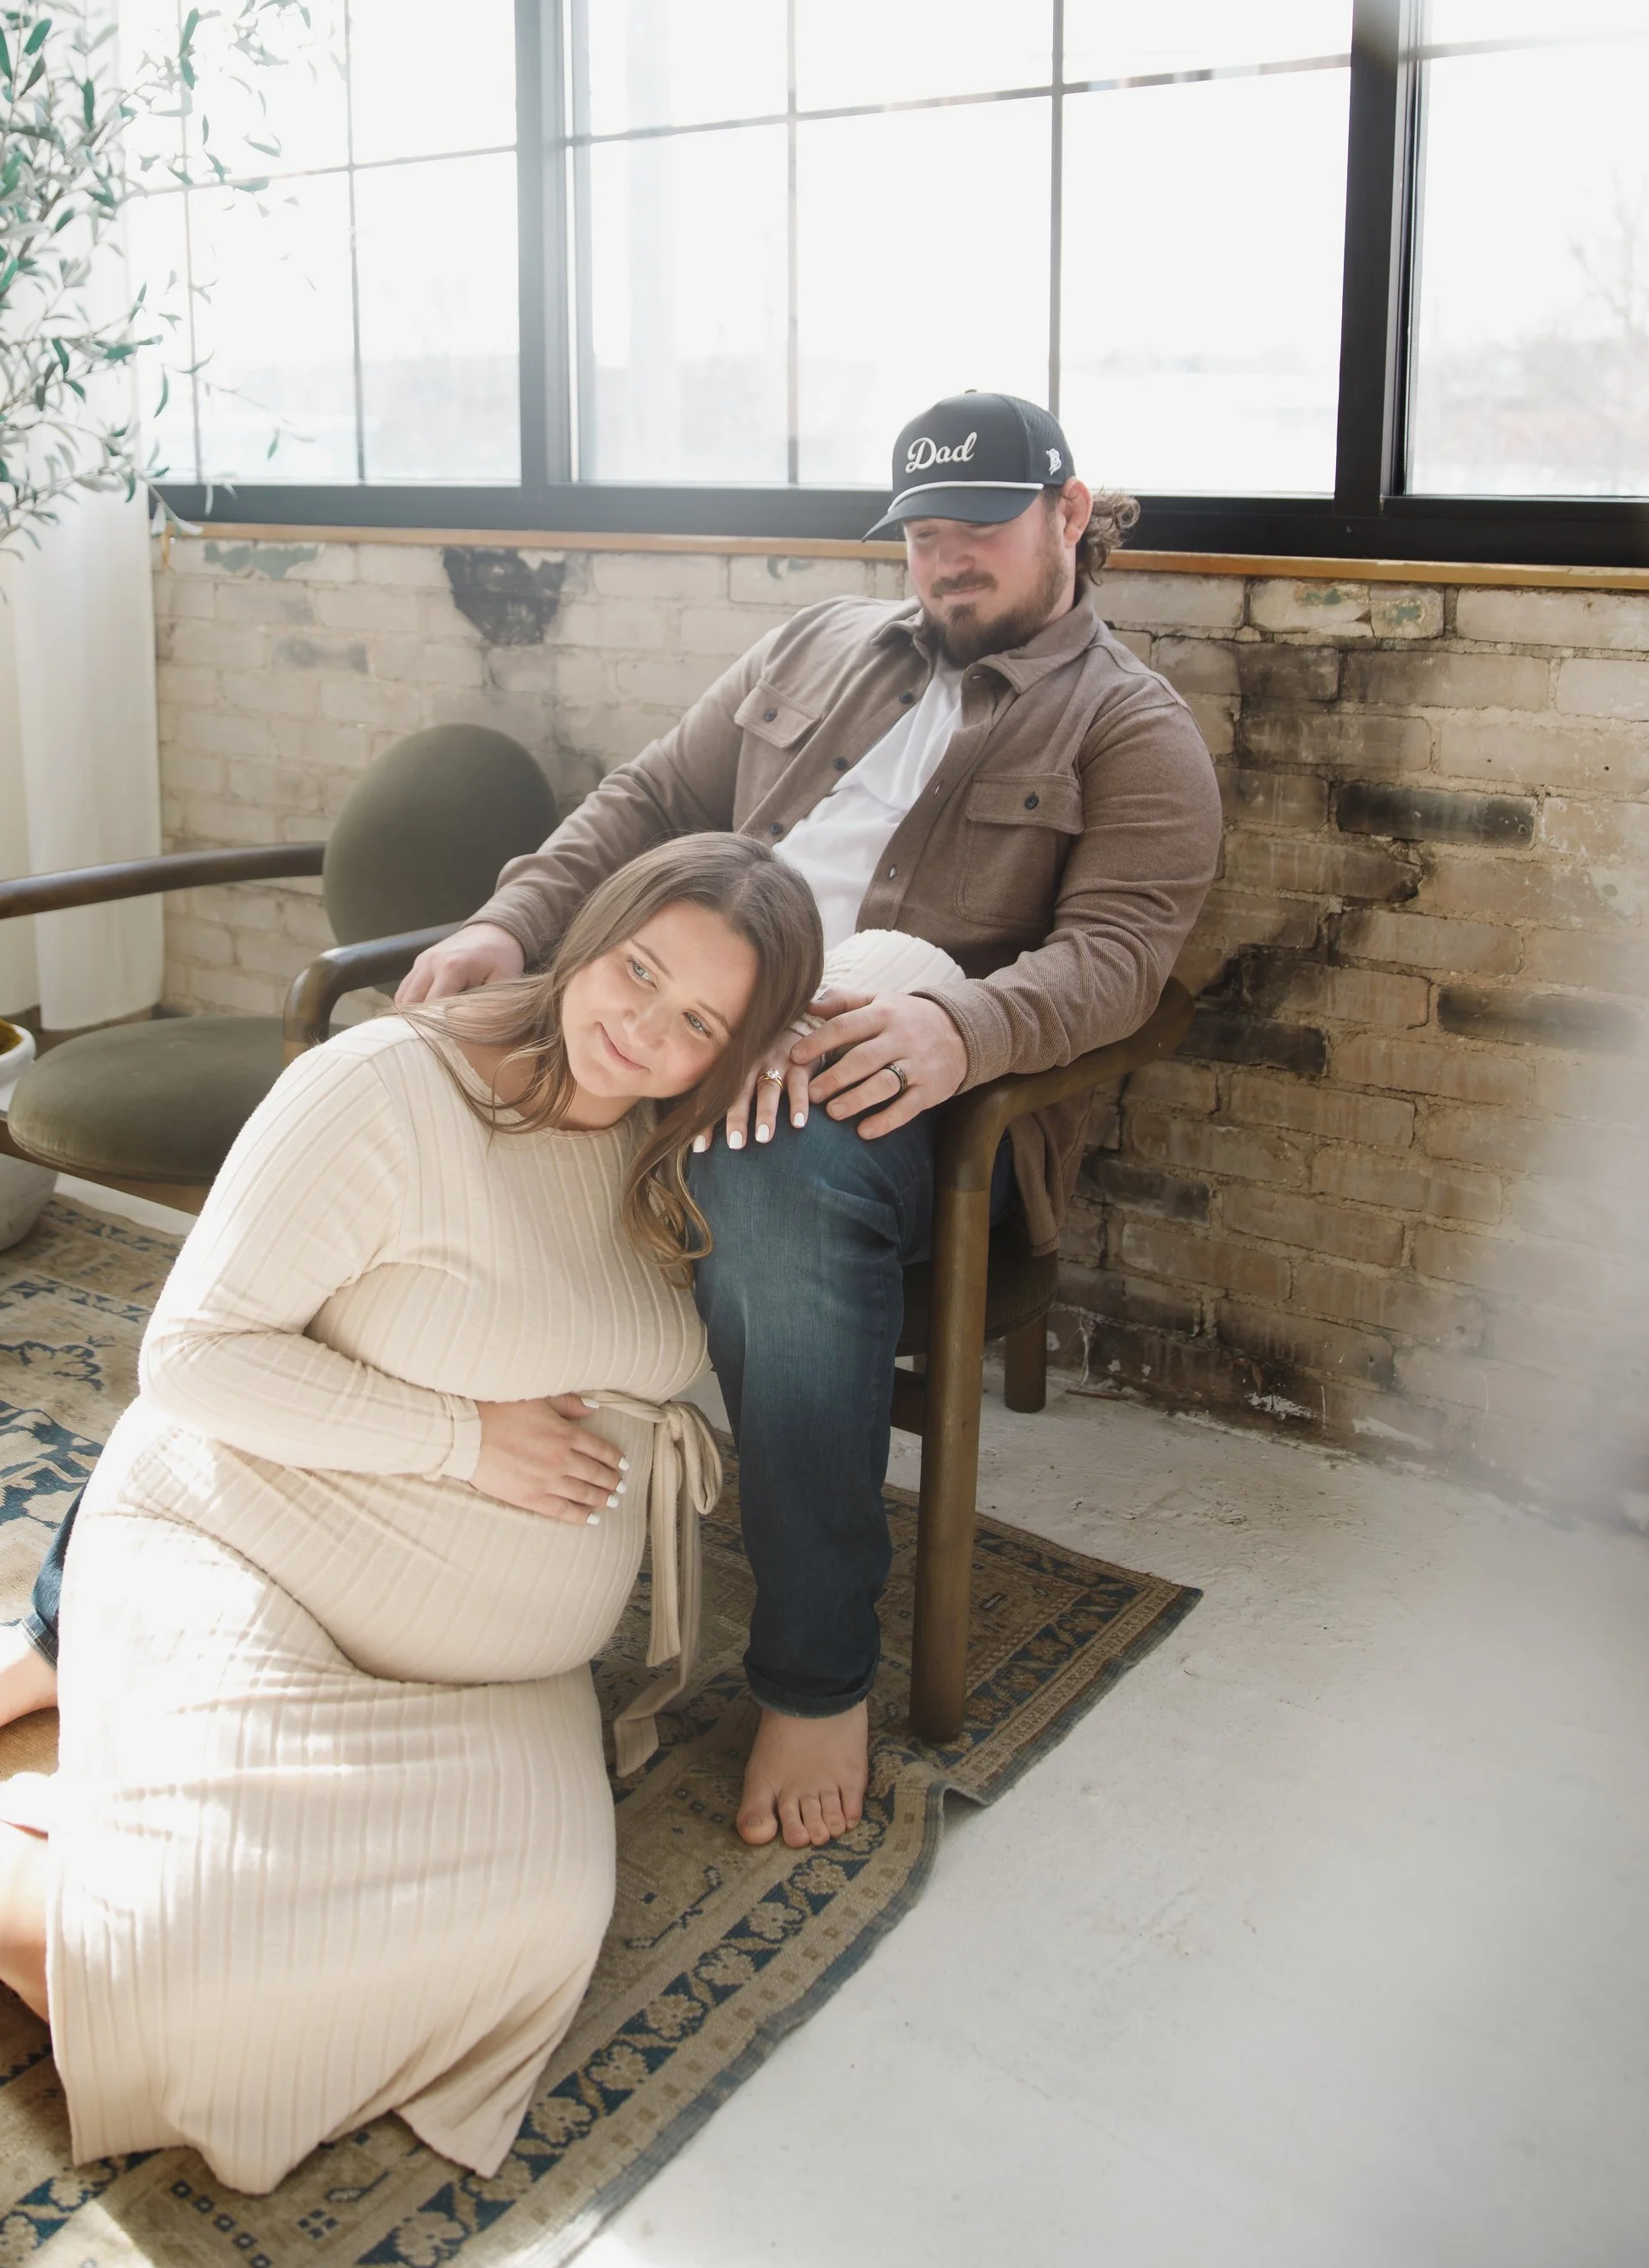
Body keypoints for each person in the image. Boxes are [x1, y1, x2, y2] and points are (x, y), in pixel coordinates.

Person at [0, 838, 829, 2193]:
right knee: (201, 1986)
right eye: (637, 970)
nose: (641, 1026)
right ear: (593, 932)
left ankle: (29, 1892)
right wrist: (465, 1439)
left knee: (524, 1935)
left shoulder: (665, 1149)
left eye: (698, 1023)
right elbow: (191, 1357)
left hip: (491, 1674)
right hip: (245, 1542)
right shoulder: (385, 1088)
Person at [398, 389, 1223, 1853]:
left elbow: (1119, 959)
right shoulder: (812, 646)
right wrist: (509, 922)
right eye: (920, 531)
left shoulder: (1132, 726)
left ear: (1072, 513)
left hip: (888, 1093)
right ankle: (259, 1541)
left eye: (979, 524)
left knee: (774, 1174)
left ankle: (815, 1665)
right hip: (677, 1020)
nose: (945, 559)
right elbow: (648, 799)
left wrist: (956, 1025)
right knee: (395, 1085)